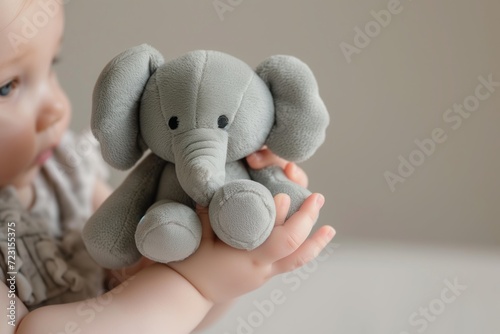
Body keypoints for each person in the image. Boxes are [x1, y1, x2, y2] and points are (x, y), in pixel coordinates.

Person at [0, 1, 335, 333]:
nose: (56, 107)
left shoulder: (66, 171)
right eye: (6, 86)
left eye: (51, 64)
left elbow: (145, 298)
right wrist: (195, 283)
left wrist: (222, 250)